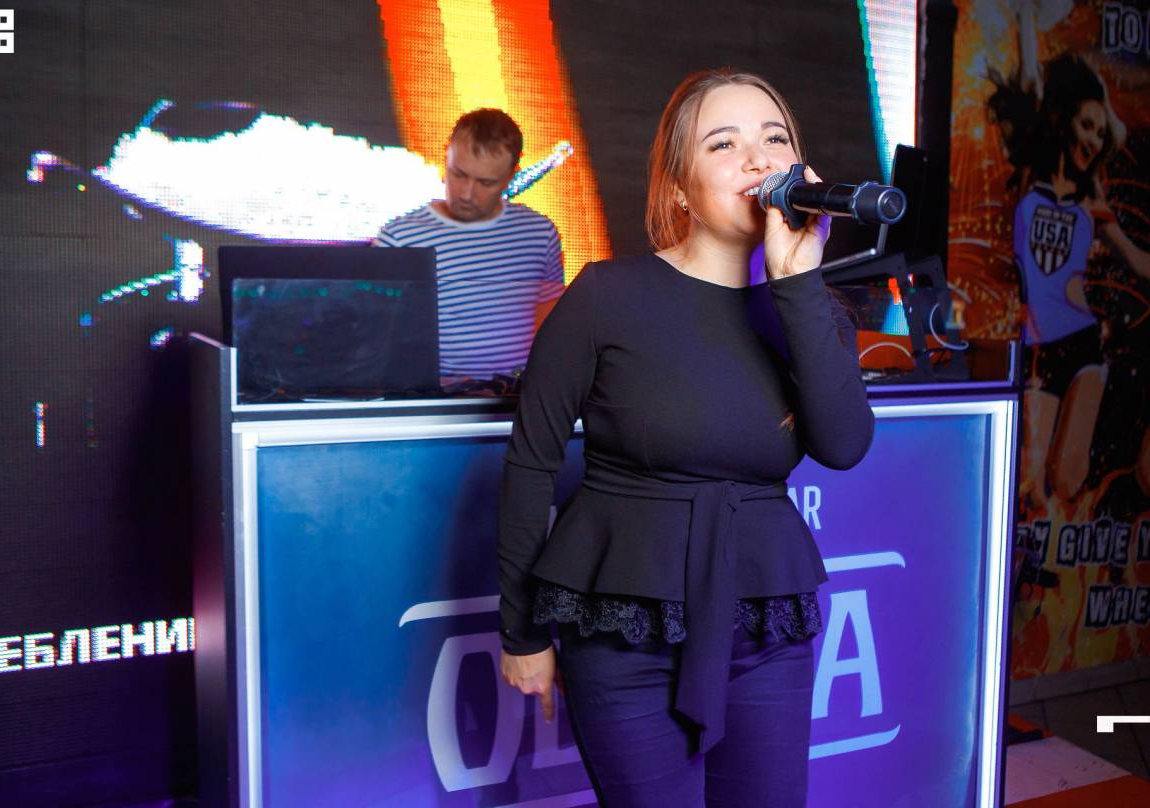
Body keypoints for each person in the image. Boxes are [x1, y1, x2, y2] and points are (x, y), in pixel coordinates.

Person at [497, 69, 874, 807]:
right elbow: (531, 464)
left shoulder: (811, 309)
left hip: (764, 621)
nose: (758, 159)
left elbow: (843, 446)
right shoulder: (605, 298)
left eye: (775, 139)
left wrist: (797, 281)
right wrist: (521, 633)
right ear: (678, 189)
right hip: (622, 629)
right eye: (723, 144)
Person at [988, 3, 1148, 506]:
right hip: (1038, 347)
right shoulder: (1031, 174)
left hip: (1082, 341)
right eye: (1086, 126)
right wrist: (1026, 23)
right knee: (1029, 485)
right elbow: (1029, 85)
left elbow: (1138, 262)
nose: (1093, 140)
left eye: (1100, 132)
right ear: (1064, 123)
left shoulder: (1091, 201)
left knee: (1068, 481)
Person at [374, 108, 564, 381]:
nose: (466, 193)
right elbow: (375, 337)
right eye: (459, 174)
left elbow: (552, 319)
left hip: (520, 396)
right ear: (446, 157)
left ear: (512, 176)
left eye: (485, 182)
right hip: (435, 397)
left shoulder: (540, 233)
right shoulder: (400, 238)